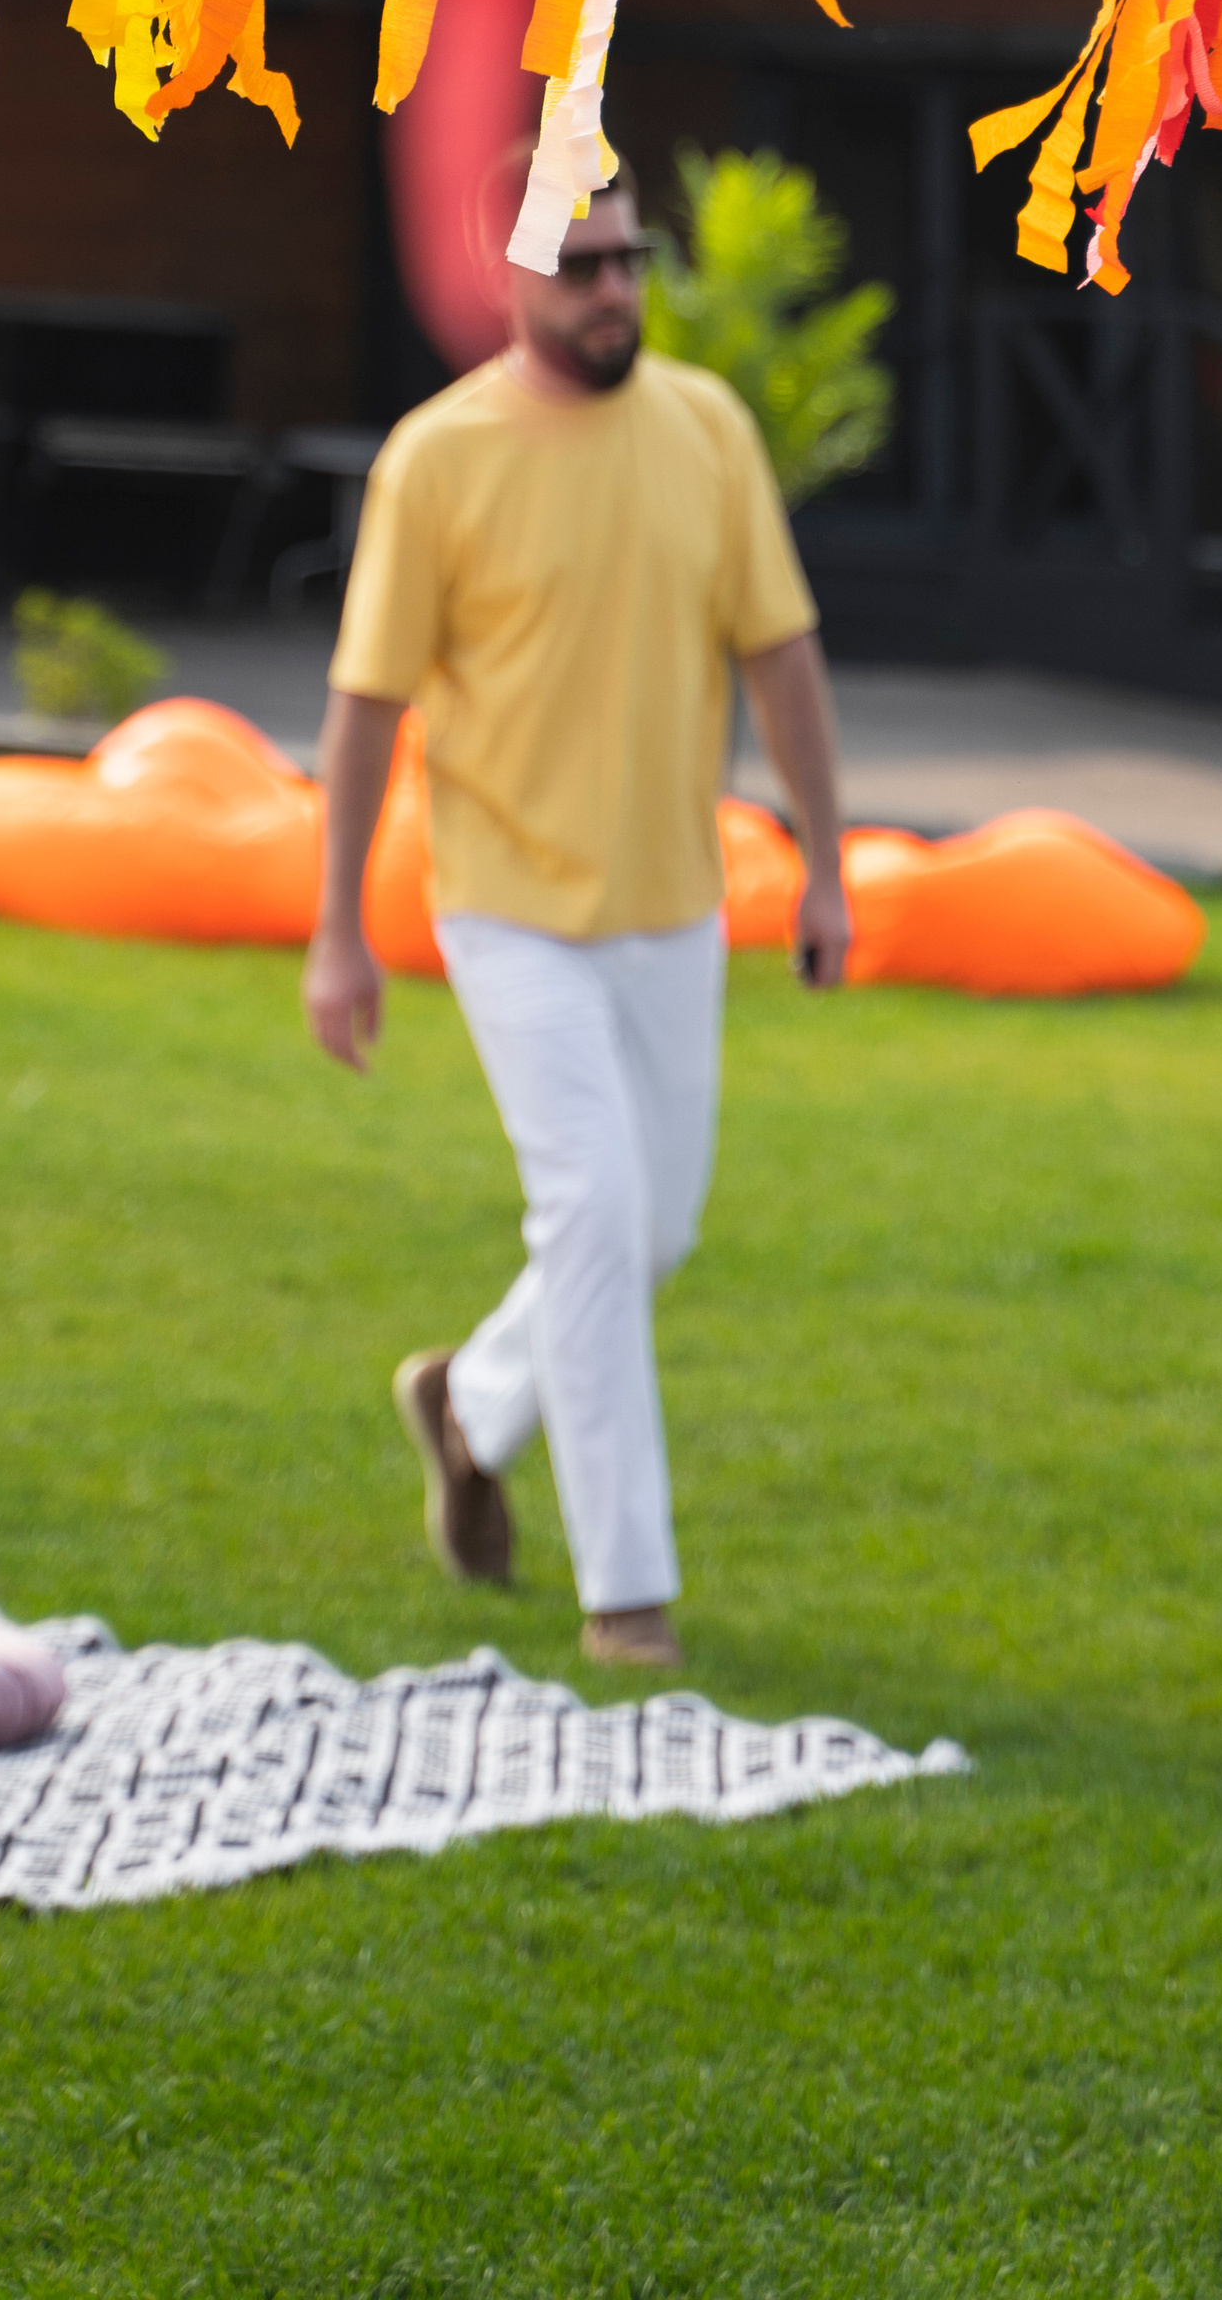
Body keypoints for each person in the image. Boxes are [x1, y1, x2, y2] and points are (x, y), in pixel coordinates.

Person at [302, 156, 849, 1669]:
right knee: (596, 1216)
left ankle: (470, 1405)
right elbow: (364, 706)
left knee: (652, 1229)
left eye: (630, 262)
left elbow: (782, 658)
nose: (616, 293)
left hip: (675, 908)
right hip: (508, 911)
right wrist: (338, 929)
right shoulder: (437, 458)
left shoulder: (708, 431)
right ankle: (630, 1598)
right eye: (585, 268)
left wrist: (828, 862)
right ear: (508, 277)